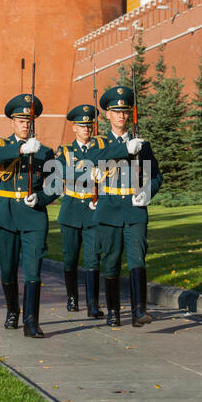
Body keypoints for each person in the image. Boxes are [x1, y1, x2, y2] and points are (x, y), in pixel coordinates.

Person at [55, 104, 143, 317]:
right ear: (74, 128)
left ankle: (93, 303)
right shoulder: (65, 151)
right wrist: (86, 174)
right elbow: (59, 172)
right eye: (82, 126)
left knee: (93, 258)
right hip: (72, 210)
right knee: (70, 258)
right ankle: (72, 297)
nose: (86, 130)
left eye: (89, 126)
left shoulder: (101, 146)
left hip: (94, 209)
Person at [0, 93, 57, 338]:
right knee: (7, 269)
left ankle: (31, 321)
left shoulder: (46, 152)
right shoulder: (0, 145)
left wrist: (42, 198)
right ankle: (12, 311)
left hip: (34, 215)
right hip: (6, 214)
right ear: (12, 122)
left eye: (29, 121)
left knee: (33, 269)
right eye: (21, 120)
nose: (25, 124)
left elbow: (55, 184)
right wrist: (20, 149)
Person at [93, 86, 163, 327]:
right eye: (116, 111)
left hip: (134, 210)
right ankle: (113, 312)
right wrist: (125, 148)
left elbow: (156, 176)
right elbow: (96, 158)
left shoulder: (142, 145)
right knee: (111, 261)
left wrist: (147, 192)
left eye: (125, 111)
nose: (121, 116)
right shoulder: (99, 142)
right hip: (109, 208)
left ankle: (138, 311)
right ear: (108, 115)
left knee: (137, 260)